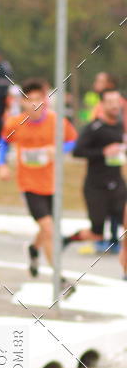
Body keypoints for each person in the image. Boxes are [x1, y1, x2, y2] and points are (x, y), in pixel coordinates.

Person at [0, 78, 77, 277]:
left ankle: (33, 248)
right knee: (49, 229)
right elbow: (3, 142)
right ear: (22, 102)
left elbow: (73, 141)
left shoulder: (57, 122)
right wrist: (2, 165)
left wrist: (58, 149)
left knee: (47, 227)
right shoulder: (15, 123)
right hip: (29, 184)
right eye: (29, 99)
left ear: (44, 101)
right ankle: (59, 278)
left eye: (38, 99)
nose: (34, 104)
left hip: (52, 183)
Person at [63, 88, 126, 256]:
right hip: (96, 187)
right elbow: (77, 152)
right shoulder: (93, 128)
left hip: (118, 183)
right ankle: (66, 240)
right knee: (96, 233)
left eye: (117, 102)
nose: (115, 106)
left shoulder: (120, 125)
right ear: (102, 104)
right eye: (110, 102)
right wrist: (103, 152)